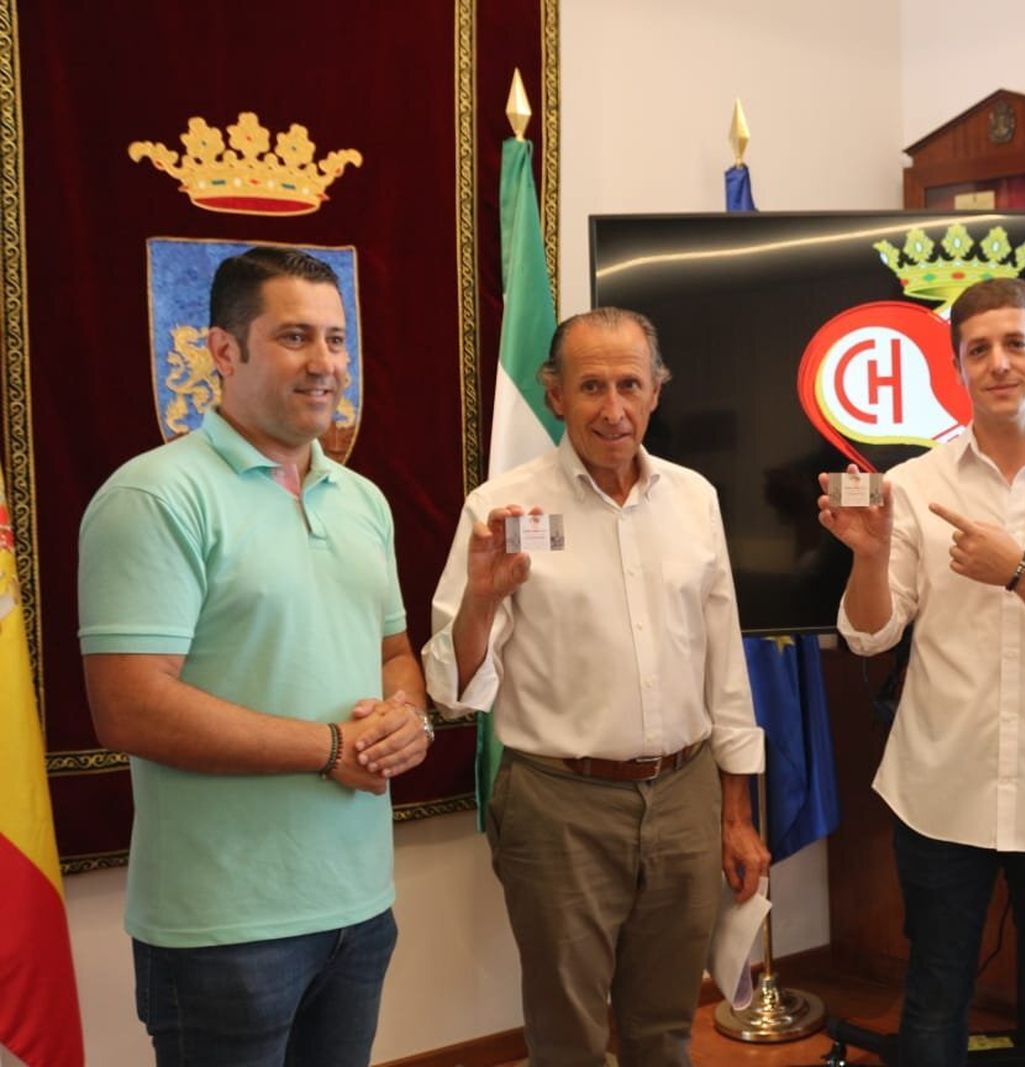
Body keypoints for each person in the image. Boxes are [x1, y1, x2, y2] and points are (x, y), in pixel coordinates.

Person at [77, 246, 432, 1067]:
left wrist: (406, 716)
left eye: (337, 340)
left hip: (359, 907)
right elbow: (130, 705)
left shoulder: (362, 499)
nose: (326, 364)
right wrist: (335, 748)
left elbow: (393, 653)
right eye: (295, 337)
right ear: (223, 350)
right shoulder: (153, 497)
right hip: (223, 928)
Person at [423, 307, 768, 1066]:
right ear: (554, 396)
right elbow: (454, 689)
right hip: (558, 803)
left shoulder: (694, 498)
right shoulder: (502, 509)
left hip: (684, 796)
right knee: (567, 1032)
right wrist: (482, 599)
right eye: (590, 387)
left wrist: (735, 813)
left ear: (655, 394)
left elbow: (724, 666)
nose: (612, 408)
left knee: (666, 1025)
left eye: (629, 385)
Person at [819, 278, 1025, 1065]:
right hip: (940, 783)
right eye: (979, 349)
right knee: (934, 990)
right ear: (957, 366)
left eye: (1016, 345)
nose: (999, 363)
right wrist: (867, 559)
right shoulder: (911, 487)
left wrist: (1019, 571)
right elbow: (870, 636)